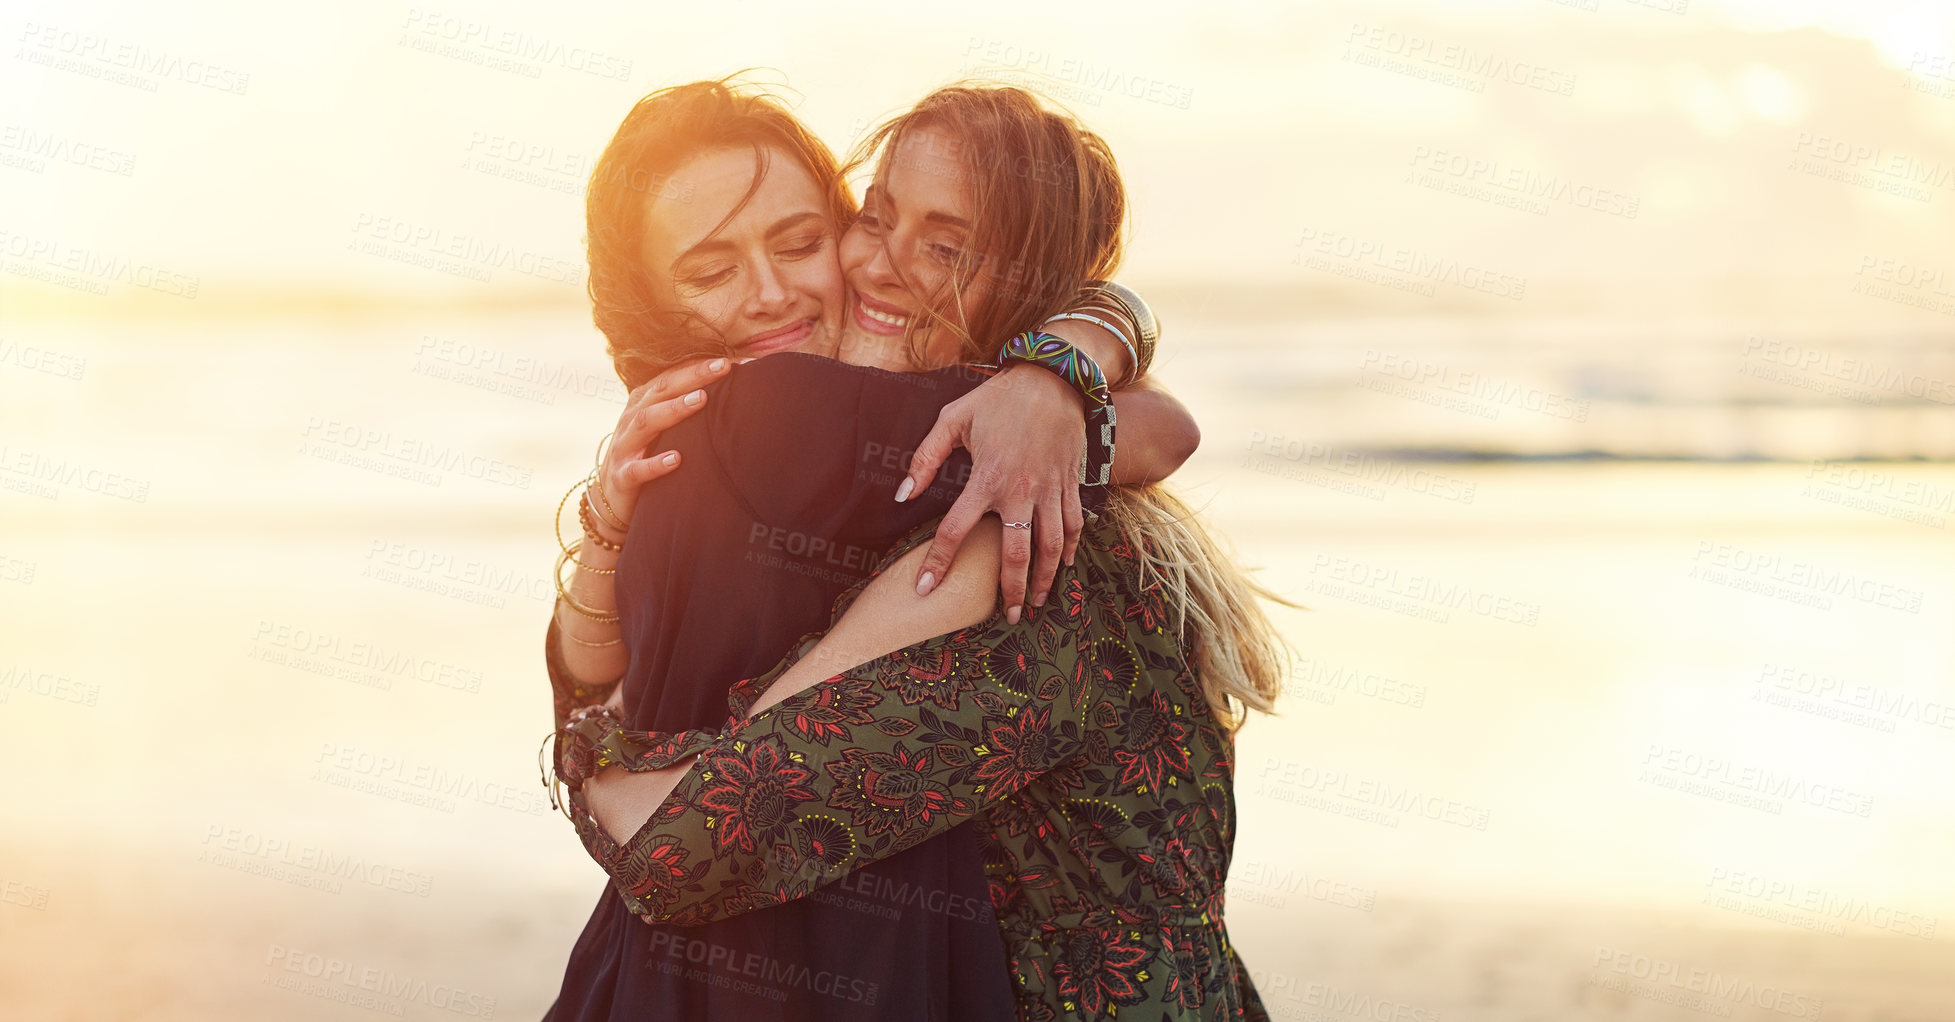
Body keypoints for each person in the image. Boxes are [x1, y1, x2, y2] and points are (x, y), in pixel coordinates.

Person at [552, 83, 1286, 1020]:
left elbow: (690, 841)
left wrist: (594, 770)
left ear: (1022, 287)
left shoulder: (1014, 539)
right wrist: (1078, 355)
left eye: (944, 248)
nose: (877, 269)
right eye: (875, 218)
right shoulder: (872, 477)